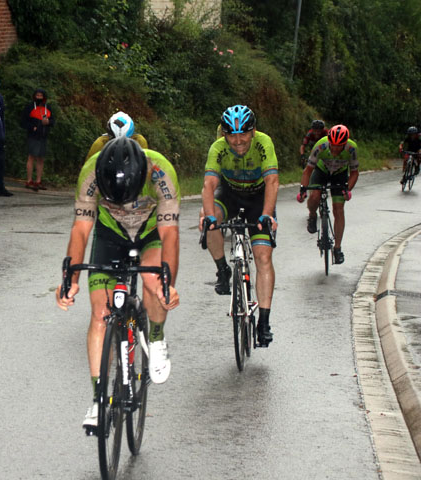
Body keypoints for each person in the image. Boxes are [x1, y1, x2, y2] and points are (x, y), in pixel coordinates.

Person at [55, 136, 180, 428]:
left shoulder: (161, 172)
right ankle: (99, 401)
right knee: (100, 313)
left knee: (153, 282)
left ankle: (157, 338)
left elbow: (170, 235)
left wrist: (167, 284)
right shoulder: (90, 174)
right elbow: (81, 230)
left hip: (150, 232)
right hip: (110, 235)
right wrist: (70, 279)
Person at [200, 105, 278, 347]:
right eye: (231, 135)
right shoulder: (218, 148)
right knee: (207, 217)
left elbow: (272, 181)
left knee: (263, 257)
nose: (237, 141)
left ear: (252, 131)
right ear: (224, 134)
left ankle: (263, 323)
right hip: (230, 195)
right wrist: (210, 217)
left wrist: (267, 215)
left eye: (243, 134)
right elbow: (209, 185)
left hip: (258, 199)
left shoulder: (264, 143)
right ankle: (223, 270)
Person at [297, 124, 358, 264]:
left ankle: (337, 248)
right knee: (315, 196)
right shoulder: (320, 146)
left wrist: (348, 189)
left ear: (345, 144)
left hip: (339, 174)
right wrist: (303, 190)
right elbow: (307, 171)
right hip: (321, 172)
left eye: (339, 146)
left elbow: (354, 173)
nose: (336, 148)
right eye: (333, 145)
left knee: (339, 210)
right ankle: (312, 215)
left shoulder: (351, 148)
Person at [22, 88, 55, 191]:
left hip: (43, 136)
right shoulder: (29, 107)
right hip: (33, 136)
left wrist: (48, 122)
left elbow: (53, 121)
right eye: (37, 95)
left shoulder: (47, 107)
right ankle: (29, 180)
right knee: (31, 157)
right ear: (34, 96)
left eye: (41, 96)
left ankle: (38, 181)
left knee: (41, 158)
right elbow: (23, 121)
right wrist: (32, 127)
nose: (39, 97)